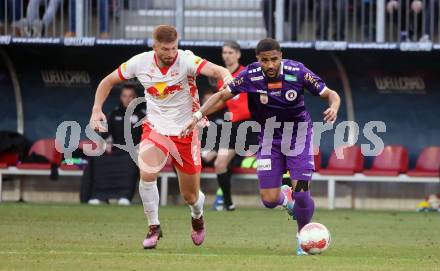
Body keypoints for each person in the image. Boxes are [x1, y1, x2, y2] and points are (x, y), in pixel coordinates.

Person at [182, 38, 341, 256]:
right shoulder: (250, 75)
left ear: (281, 57)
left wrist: (333, 107)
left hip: (299, 138)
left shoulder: (298, 71)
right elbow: (221, 96)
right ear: (258, 60)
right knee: (268, 200)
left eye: (274, 59)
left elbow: (331, 94)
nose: (270, 65)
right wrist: (198, 115)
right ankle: (286, 199)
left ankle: (303, 237)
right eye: (265, 60)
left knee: (302, 193)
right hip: (268, 138)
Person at [89, 25, 233, 249]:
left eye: (174, 48)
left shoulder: (186, 60)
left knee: (190, 196)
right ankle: (154, 227)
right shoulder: (139, 62)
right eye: (165, 49)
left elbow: (217, 71)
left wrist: (228, 76)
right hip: (156, 128)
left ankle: (197, 215)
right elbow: (107, 82)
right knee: (146, 172)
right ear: (154, 46)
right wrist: (97, 109)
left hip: (186, 131)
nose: (170, 53)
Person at [201, 41, 255, 211]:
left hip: (251, 126)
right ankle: (228, 203)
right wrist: (201, 113)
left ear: (238, 54)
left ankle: (290, 198)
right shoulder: (222, 80)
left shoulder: (247, 73)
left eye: (231, 52)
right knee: (219, 163)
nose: (227, 55)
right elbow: (221, 102)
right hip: (233, 128)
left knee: (275, 161)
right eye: (224, 52)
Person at [86, 84, 145, 206]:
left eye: (130, 96)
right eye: (124, 96)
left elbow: (147, 135)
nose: (127, 99)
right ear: (121, 97)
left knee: (131, 160)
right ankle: (99, 195)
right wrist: (107, 142)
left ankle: (124, 196)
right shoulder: (114, 113)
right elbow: (106, 132)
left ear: (135, 97)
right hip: (115, 150)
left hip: (133, 152)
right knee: (97, 159)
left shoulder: (142, 114)